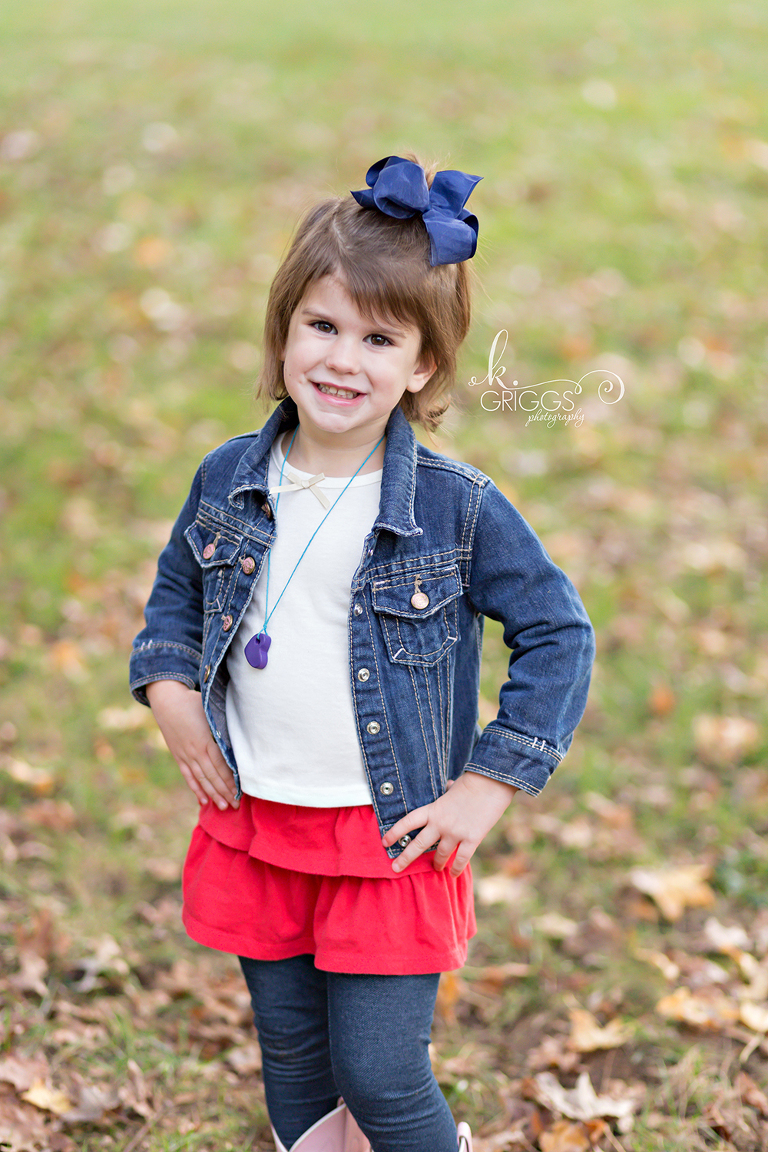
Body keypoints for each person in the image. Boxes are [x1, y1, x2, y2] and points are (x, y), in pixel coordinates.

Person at [129, 154, 595, 1152]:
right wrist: (167, 686)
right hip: (260, 818)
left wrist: (490, 784)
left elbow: (559, 633)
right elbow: (176, 593)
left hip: (389, 838)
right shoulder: (229, 478)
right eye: (323, 326)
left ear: (422, 365)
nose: (344, 359)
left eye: (379, 338)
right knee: (295, 1061)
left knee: (381, 1074)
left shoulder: (454, 509)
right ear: (284, 330)